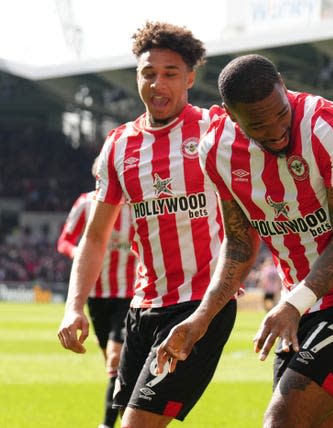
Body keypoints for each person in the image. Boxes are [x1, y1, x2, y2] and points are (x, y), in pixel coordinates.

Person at [156, 53, 333, 428]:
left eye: (281, 114)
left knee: (281, 420)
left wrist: (294, 303)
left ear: (283, 86)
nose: (275, 131)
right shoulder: (216, 150)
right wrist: (201, 318)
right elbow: (238, 244)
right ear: (230, 114)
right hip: (297, 313)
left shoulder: (329, 127)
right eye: (257, 124)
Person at [57, 21, 236, 428]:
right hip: (144, 306)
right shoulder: (119, 144)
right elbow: (95, 235)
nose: (158, 84)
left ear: (190, 77)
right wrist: (73, 307)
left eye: (170, 74)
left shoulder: (215, 129)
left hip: (199, 304)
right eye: (148, 73)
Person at [57, 158, 136, 428]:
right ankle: (132, 417)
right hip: (96, 295)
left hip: (130, 293)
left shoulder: (138, 206)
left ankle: (106, 424)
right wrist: (76, 251)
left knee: (116, 357)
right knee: (115, 367)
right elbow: (65, 240)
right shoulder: (85, 204)